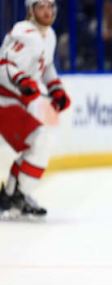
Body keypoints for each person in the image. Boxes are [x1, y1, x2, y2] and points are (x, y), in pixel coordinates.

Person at [0, 0, 71, 218]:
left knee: (40, 142)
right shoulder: (25, 32)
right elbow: (4, 65)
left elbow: (46, 66)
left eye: (50, 7)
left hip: (15, 102)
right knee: (41, 141)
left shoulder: (48, 36)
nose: (47, 11)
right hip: (4, 100)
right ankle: (15, 195)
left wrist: (56, 88)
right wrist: (22, 81)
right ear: (31, 10)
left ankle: (12, 195)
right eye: (41, 7)